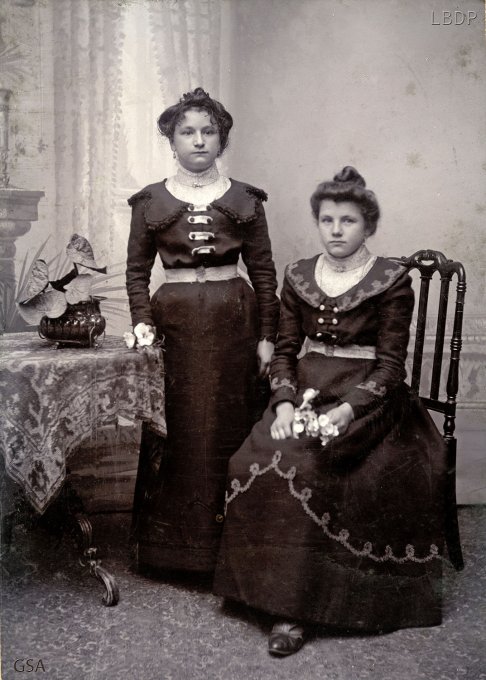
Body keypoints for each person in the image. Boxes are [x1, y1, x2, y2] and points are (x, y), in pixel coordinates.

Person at [213, 166, 447, 655]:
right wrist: (282, 402)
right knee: (249, 459)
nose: (336, 230)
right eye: (327, 220)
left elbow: (390, 367)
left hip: (369, 400)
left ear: (369, 226)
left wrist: (349, 411)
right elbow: (284, 351)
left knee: (312, 468)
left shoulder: (391, 280)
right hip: (305, 389)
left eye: (348, 221)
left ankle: (295, 611)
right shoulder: (299, 275)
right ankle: (264, 590)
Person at [126, 87, 279, 574]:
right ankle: (168, 550)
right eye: (187, 132)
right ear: (172, 141)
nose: (198, 141)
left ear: (221, 140)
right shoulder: (149, 201)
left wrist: (267, 336)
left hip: (235, 323)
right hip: (174, 327)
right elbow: (136, 273)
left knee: (229, 424)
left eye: (208, 132)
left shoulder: (245, 199)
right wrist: (143, 324)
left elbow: (264, 273)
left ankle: (230, 550)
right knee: (180, 425)